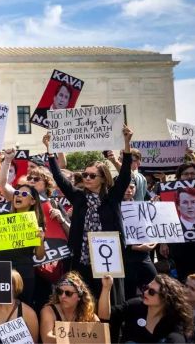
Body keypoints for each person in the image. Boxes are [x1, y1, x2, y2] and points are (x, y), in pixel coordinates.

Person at [44, 125, 133, 302]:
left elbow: (124, 176)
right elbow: (59, 178)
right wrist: (50, 150)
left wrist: (126, 144)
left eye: (92, 176)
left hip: (108, 256)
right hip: (81, 257)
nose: (87, 178)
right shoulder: (78, 197)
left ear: (103, 178)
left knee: (108, 298)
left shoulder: (112, 197)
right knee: (84, 299)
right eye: (85, 174)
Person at [0, 179, 46, 307]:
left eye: (24, 194)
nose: (19, 195)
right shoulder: (3, 217)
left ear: (32, 201)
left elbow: (40, 256)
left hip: (25, 272)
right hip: (2, 269)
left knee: (24, 307)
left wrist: (40, 241)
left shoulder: (36, 223)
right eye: (17, 193)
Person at [99, 274, 193, 343]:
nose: (145, 292)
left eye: (151, 292)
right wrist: (106, 288)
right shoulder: (135, 305)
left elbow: (177, 340)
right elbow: (104, 316)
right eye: (145, 288)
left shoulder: (174, 321)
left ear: (165, 298)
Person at [0, 269, 39, 343]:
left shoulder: (29, 313)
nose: (2, 287)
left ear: (16, 286)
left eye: (6, 284)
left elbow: (34, 342)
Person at [39, 272, 100, 343]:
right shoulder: (49, 310)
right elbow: (47, 339)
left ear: (79, 297)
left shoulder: (87, 313)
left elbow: (102, 336)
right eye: (60, 292)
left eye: (68, 293)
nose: (63, 296)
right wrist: (81, 340)